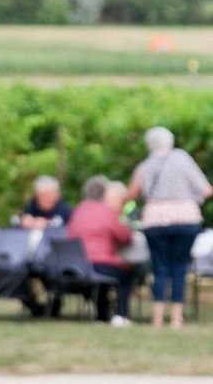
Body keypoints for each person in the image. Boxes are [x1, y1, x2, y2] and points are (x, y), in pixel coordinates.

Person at [126, 126, 212, 328]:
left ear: (149, 145)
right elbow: (206, 189)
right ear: (170, 142)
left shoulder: (145, 165)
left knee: (159, 267)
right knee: (180, 267)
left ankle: (157, 317)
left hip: (155, 220)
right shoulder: (182, 158)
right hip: (186, 218)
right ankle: (176, 318)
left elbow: (132, 193)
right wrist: (189, 199)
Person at [68, 176, 134, 325]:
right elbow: (124, 237)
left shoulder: (78, 210)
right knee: (126, 274)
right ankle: (121, 315)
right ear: (104, 193)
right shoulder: (106, 212)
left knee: (101, 281)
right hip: (100, 263)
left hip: (78, 265)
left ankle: (102, 315)